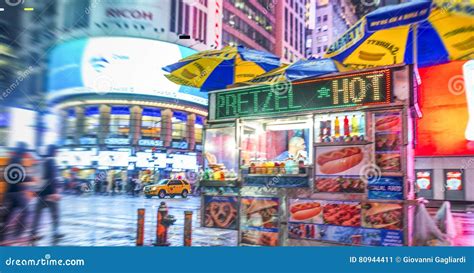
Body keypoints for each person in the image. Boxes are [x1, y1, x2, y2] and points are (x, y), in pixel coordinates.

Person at [0, 142, 32, 242]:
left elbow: (6, 176)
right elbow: (19, 178)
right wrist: (29, 178)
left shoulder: (11, 159)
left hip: (9, 192)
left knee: (7, 215)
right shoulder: (17, 160)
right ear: (22, 152)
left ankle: (2, 237)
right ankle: (17, 234)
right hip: (16, 193)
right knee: (27, 210)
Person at [31, 145, 63, 241]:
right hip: (50, 194)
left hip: (40, 193)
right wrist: (55, 193)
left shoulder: (42, 161)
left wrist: (36, 191)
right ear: (54, 151)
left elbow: (38, 177)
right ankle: (55, 232)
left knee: (37, 215)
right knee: (55, 214)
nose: (58, 153)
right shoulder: (52, 161)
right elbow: (53, 178)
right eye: (57, 151)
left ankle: (33, 233)